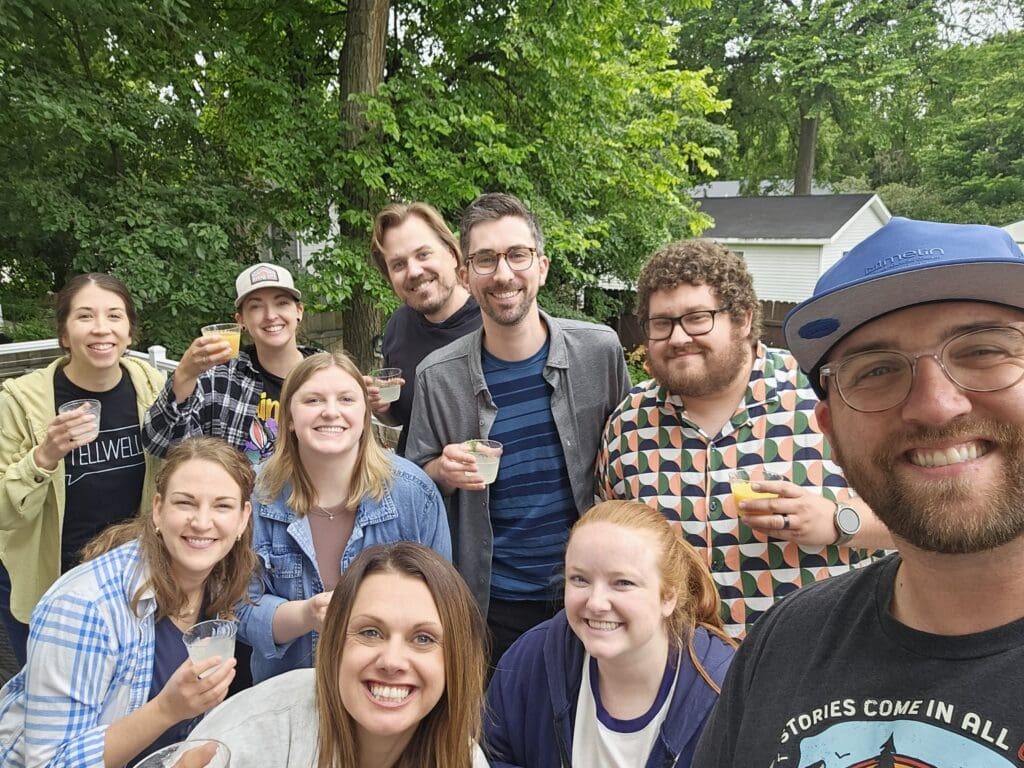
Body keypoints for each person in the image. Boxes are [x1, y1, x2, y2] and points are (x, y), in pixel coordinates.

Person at [693, 217, 1024, 764]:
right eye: (876, 370)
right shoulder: (787, 642)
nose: (935, 404)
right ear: (831, 428)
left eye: (983, 351)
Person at [597, 240, 893, 638]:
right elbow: (608, 538)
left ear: (743, 319)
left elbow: (925, 519)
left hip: (813, 660)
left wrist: (837, 519)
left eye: (698, 318)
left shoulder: (827, 399)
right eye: (662, 323)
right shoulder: (629, 424)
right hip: (679, 670)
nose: (678, 337)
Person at [406, 192, 631, 665]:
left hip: (592, 594)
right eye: (485, 259)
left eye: (517, 255)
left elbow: (631, 455)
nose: (503, 273)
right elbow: (413, 483)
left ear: (542, 266)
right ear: (465, 275)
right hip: (491, 605)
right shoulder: (437, 376)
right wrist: (443, 470)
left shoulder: (599, 351)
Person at [0, 437, 256, 767]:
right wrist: (167, 709)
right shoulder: (83, 607)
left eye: (222, 506)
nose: (203, 522)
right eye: (185, 503)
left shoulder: (217, 578)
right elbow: (48, 763)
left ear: (242, 518)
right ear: (158, 510)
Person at [236, 352, 451, 683]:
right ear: (289, 417)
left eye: (346, 399)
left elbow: (442, 603)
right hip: (291, 692)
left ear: (365, 414)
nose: (331, 411)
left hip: (390, 685)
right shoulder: (254, 494)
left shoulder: (414, 494)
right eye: (313, 399)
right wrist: (308, 615)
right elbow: (238, 608)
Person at [190, 542, 490, 768]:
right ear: (334, 644)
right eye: (370, 632)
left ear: (456, 659)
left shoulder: (463, 758)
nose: (392, 661)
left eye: (423, 639)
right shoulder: (245, 740)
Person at [485, 500, 735, 767]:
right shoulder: (529, 661)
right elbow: (490, 756)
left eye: (623, 583)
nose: (596, 602)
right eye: (579, 579)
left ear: (668, 598)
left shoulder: (726, 688)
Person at [0, 273, 164, 666]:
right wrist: (44, 456)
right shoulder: (21, 401)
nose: (101, 329)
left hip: (130, 579)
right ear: (63, 333)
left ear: (129, 332)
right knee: (49, 704)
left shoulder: (151, 386)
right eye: (85, 316)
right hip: (49, 582)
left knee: (129, 696)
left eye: (114, 316)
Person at [143, 262, 319, 466]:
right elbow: (159, 443)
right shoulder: (220, 379)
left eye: (281, 303)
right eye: (256, 306)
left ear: (299, 311)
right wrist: (184, 375)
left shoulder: (327, 373)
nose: (271, 315)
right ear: (241, 320)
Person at [367, 202, 482, 456]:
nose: (414, 271)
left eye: (423, 254)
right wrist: (382, 407)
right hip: (418, 487)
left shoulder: (491, 320)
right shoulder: (398, 326)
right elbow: (398, 419)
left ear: (452, 254)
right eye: (398, 264)